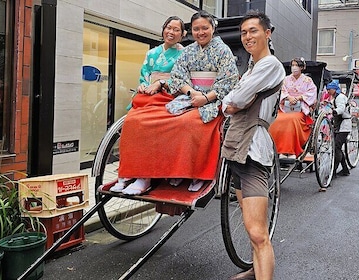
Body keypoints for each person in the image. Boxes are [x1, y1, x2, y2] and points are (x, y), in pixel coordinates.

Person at [113, 11, 239, 195]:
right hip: (188, 96)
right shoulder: (188, 51)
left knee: (190, 123)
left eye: (205, 28)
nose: (200, 32)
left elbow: (229, 80)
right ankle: (166, 171)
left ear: (213, 28)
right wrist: (192, 92)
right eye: (196, 29)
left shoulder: (222, 50)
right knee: (165, 122)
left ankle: (196, 173)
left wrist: (205, 97)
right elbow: (178, 76)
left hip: (213, 98)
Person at [221, 10, 285, 280]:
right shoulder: (251, 67)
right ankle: (253, 269)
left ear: (267, 33)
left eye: (253, 31)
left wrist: (233, 102)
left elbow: (237, 97)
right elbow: (230, 103)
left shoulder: (270, 65)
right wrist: (232, 103)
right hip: (237, 148)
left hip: (254, 152)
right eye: (244, 32)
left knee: (259, 233)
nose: (248, 37)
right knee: (250, 226)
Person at [110, 16, 186, 193]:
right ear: (163, 29)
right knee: (131, 123)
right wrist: (143, 84)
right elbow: (144, 74)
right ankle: (126, 172)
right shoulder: (152, 53)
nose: (171, 32)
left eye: (176, 29)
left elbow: (181, 79)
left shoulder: (185, 55)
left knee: (149, 126)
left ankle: (146, 177)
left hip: (169, 95)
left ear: (182, 34)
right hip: (149, 94)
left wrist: (160, 84)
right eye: (168, 28)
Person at [268, 57, 317, 160]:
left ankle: (290, 150)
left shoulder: (308, 80)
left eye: (297, 65)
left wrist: (299, 97)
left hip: (300, 108)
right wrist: (288, 97)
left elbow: (311, 93)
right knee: (276, 120)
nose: (294, 68)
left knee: (292, 120)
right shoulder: (285, 79)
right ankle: (276, 149)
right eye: (293, 65)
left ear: (302, 67)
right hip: (286, 107)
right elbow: (281, 91)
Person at [326, 80, 352, 186]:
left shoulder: (340, 97)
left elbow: (341, 109)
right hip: (339, 125)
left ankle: (333, 171)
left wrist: (333, 111)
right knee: (338, 147)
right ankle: (345, 169)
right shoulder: (335, 97)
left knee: (336, 147)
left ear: (334, 89)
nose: (328, 91)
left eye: (329, 89)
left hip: (344, 126)